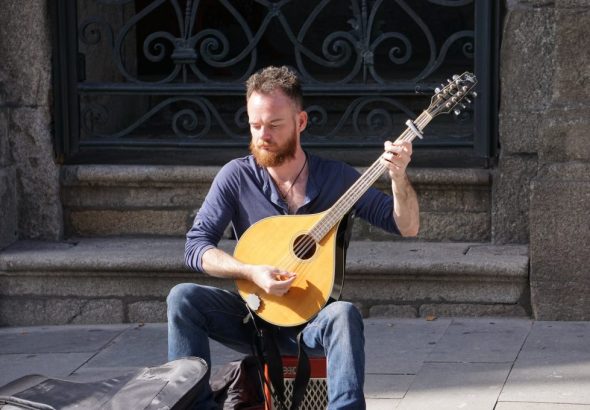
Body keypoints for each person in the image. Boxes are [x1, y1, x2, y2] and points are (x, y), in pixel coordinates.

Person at [167, 65, 419, 409]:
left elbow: (407, 226)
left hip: (314, 319)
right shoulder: (236, 176)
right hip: (252, 315)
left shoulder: (337, 178)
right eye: (255, 125)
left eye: (274, 125)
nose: (262, 135)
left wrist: (398, 178)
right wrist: (250, 271)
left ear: (300, 122)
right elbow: (196, 247)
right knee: (183, 298)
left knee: (344, 315)